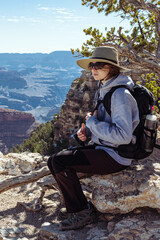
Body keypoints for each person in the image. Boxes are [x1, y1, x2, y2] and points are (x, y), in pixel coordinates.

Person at [47, 46, 139, 231]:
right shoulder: (106, 87)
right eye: (92, 65)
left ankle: (82, 212)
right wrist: (88, 133)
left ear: (112, 68)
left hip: (116, 155)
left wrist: (92, 124)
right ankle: (79, 208)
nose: (93, 69)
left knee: (60, 162)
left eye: (99, 65)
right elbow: (104, 122)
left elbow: (123, 135)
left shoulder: (120, 94)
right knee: (53, 160)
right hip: (105, 148)